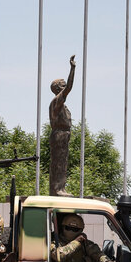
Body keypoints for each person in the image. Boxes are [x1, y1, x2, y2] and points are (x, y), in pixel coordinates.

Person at [48, 55, 76, 197]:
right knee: (58, 163)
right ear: (57, 88)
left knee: (62, 163)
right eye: (63, 85)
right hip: (59, 134)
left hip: (63, 135)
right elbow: (70, 88)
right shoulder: (56, 101)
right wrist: (72, 69)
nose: (66, 87)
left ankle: (60, 188)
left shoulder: (60, 104)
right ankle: (57, 189)